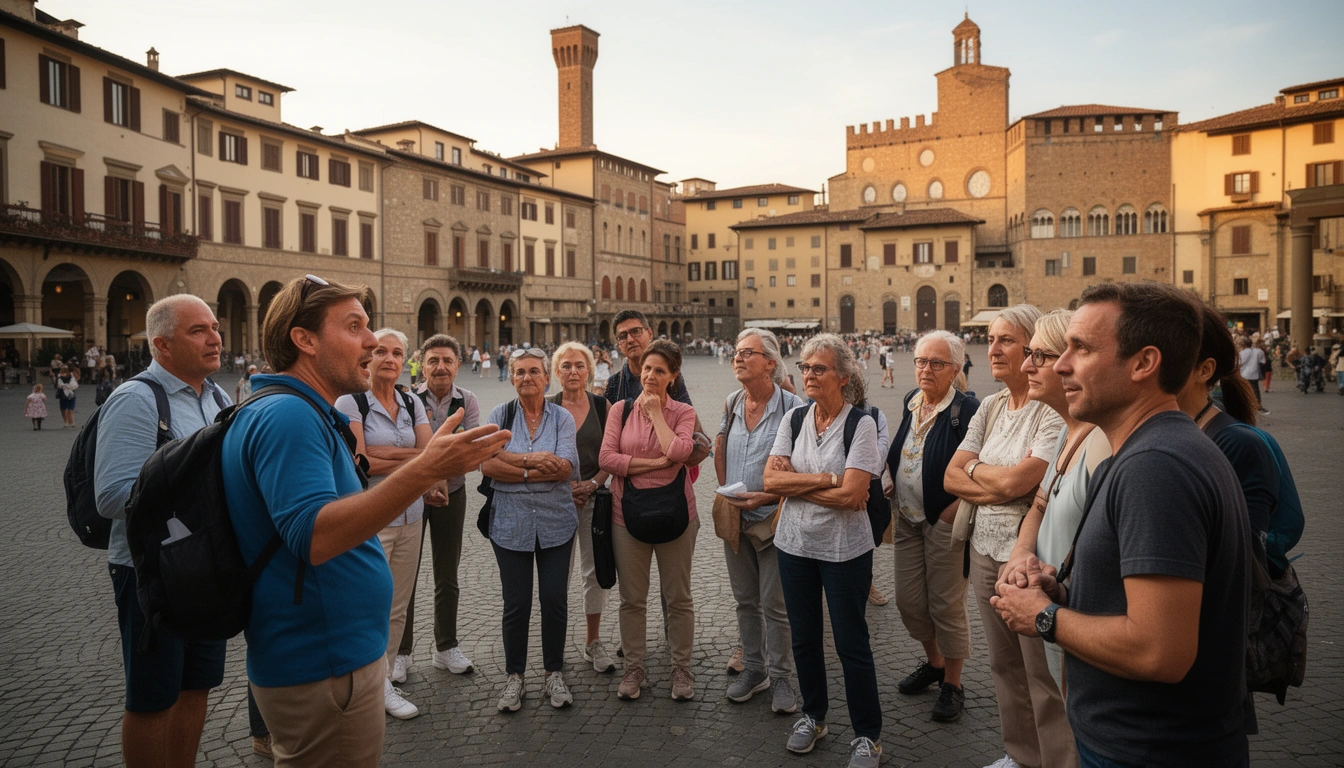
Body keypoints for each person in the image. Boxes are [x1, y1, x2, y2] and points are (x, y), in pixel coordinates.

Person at [222, 275, 509, 767]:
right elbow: (315, 534)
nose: (374, 342)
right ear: (304, 340)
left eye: (369, 326)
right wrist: (427, 467)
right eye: (354, 326)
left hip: (333, 657)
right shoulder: (289, 416)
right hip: (323, 663)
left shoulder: (298, 410)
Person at [992, 282, 1253, 767]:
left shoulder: (1156, 467)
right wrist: (1061, 590)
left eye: (1082, 349)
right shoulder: (1141, 451)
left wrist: (1043, 617)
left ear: (1143, 364)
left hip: (1150, 750)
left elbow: (1160, 651)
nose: (1062, 364)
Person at [93, 294, 232, 768]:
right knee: (153, 698)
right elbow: (111, 495)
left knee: (197, 686)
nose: (215, 337)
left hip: (206, 567)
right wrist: (196, 497)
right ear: (162, 345)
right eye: (198, 330)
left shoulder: (218, 396)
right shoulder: (136, 400)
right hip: (150, 573)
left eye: (214, 326)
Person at [943, 305, 1072, 768]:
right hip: (983, 548)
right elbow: (950, 477)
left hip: (1030, 556)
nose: (992, 349)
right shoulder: (992, 405)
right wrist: (991, 478)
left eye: (1005, 341)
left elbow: (1023, 485)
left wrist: (980, 473)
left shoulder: (1053, 409)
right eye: (990, 339)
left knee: (1040, 669)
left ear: (1032, 349)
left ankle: (1056, 759)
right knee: (1003, 663)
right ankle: (1021, 755)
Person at [764, 334, 884, 768]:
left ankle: (867, 735)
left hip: (845, 550)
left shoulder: (862, 424)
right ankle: (813, 716)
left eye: (819, 368)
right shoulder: (794, 419)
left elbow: (855, 497)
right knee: (805, 638)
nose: (808, 374)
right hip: (793, 544)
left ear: (843, 376)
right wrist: (829, 480)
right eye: (805, 366)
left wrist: (803, 484)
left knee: (852, 643)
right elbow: (771, 481)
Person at [997, 310, 1111, 692]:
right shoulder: (1068, 431)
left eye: (1039, 355)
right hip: (1058, 606)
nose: (1027, 364)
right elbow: (1041, 504)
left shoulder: (1102, 445)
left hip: (1085, 626)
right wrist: (1021, 556)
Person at [335, 328, 438, 721]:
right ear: (369, 357)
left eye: (397, 353)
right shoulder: (350, 400)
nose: (389, 359)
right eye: (381, 351)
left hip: (412, 515)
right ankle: (364, 683)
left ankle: (383, 682)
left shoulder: (411, 401)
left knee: (397, 606)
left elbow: (432, 456)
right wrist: (412, 457)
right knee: (366, 603)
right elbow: (361, 463)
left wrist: (390, 454)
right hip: (371, 516)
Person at [598, 339, 700, 702]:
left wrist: (657, 414)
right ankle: (634, 667)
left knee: (679, 598)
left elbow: (681, 452)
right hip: (627, 515)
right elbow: (607, 459)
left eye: (659, 370)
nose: (651, 376)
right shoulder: (620, 410)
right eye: (646, 369)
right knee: (632, 599)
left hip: (677, 514)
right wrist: (655, 465)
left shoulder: (682, 412)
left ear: (673, 376)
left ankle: (681, 668)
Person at [888, 330, 981, 723]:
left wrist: (953, 509)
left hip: (943, 521)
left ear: (956, 369)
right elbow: (902, 449)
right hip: (907, 518)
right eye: (921, 362)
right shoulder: (912, 401)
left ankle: (953, 684)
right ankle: (935, 662)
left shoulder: (968, 410)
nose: (925, 370)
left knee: (946, 604)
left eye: (936, 363)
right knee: (909, 601)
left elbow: (982, 470)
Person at [481, 347, 581, 711]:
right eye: (520, 372)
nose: (527, 378)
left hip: (556, 522)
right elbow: (487, 465)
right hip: (510, 524)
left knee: (554, 600)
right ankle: (515, 677)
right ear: (511, 378)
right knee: (516, 603)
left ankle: (553, 672)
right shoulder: (499, 415)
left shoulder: (562, 418)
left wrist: (512, 465)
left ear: (547, 378)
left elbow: (566, 467)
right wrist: (531, 463)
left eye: (534, 372)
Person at [715, 329, 803, 713]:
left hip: (775, 518)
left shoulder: (793, 408)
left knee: (775, 603)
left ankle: (782, 677)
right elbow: (719, 447)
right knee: (745, 601)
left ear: (770, 362)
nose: (738, 358)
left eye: (747, 353)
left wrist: (767, 495)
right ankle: (755, 669)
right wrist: (727, 490)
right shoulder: (733, 402)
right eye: (736, 352)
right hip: (736, 517)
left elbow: (802, 468)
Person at [400, 335, 480, 679]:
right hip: (411, 495)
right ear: (421, 365)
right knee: (406, 575)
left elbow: (471, 449)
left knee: (447, 574)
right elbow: (406, 448)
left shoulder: (468, 400)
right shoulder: (406, 399)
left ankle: (445, 647)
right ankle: (401, 652)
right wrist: (431, 479)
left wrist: (441, 480)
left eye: (447, 360)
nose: (441, 367)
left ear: (457, 365)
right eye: (433, 360)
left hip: (454, 493)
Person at [549, 341, 618, 674]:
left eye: (579, 365)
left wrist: (591, 484)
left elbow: (612, 455)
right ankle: (554, 647)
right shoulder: (545, 407)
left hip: (594, 501)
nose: (573, 371)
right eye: (566, 366)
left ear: (590, 369)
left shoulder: (602, 406)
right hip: (554, 503)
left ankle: (593, 642)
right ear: (556, 371)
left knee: (594, 574)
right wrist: (565, 487)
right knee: (555, 576)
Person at [1237, 338, 1270, 416]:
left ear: (1244, 345)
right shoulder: (1259, 351)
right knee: (1256, 390)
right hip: (1254, 374)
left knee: (1244, 391)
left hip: (1244, 374)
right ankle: (1258, 406)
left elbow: (1238, 363)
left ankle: (1246, 407)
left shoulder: (1242, 353)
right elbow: (1263, 362)